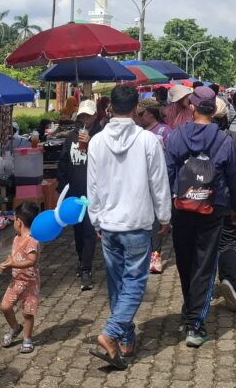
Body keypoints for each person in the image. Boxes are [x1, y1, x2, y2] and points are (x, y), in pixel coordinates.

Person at [86, 85, 172, 369]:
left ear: (111, 108)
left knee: (117, 283)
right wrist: (164, 216)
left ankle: (125, 338)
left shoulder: (97, 141)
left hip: (109, 223)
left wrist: (95, 218)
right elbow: (159, 183)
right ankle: (112, 335)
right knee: (134, 282)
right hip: (136, 223)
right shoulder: (148, 140)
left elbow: (93, 186)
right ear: (136, 108)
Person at [165, 86, 236, 348]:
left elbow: (166, 175)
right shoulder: (224, 140)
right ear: (215, 109)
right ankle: (195, 324)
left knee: (185, 261)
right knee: (205, 265)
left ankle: (189, 311)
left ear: (192, 107)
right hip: (213, 208)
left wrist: (165, 210)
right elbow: (234, 177)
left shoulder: (176, 137)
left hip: (181, 208)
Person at [57, 99, 99, 291]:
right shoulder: (71, 137)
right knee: (78, 231)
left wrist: (91, 145)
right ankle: (82, 260)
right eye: (82, 116)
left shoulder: (100, 137)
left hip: (93, 193)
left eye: (88, 116)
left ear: (95, 116)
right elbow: (64, 162)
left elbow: (106, 163)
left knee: (90, 231)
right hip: (75, 191)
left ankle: (86, 269)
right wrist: (63, 186)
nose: (85, 119)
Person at [214, 98, 236, 313]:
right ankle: (228, 281)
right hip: (226, 201)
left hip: (197, 203)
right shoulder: (235, 139)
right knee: (228, 242)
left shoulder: (187, 136)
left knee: (204, 246)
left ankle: (202, 289)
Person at [0, 202, 42, 354]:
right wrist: (7, 263)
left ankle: (27, 338)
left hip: (30, 283)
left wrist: (13, 264)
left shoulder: (32, 240)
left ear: (19, 221)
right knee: (5, 306)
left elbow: (32, 261)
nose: (13, 223)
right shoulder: (17, 238)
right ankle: (15, 327)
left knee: (28, 312)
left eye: (13, 220)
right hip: (16, 281)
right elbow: (14, 257)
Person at [137, 98, 172, 274]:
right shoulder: (139, 133)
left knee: (158, 220)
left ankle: (156, 253)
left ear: (150, 113)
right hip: (140, 183)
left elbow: (172, 156)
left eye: (141, 114)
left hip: (159, 181)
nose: (139, 117)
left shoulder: (165, 131)